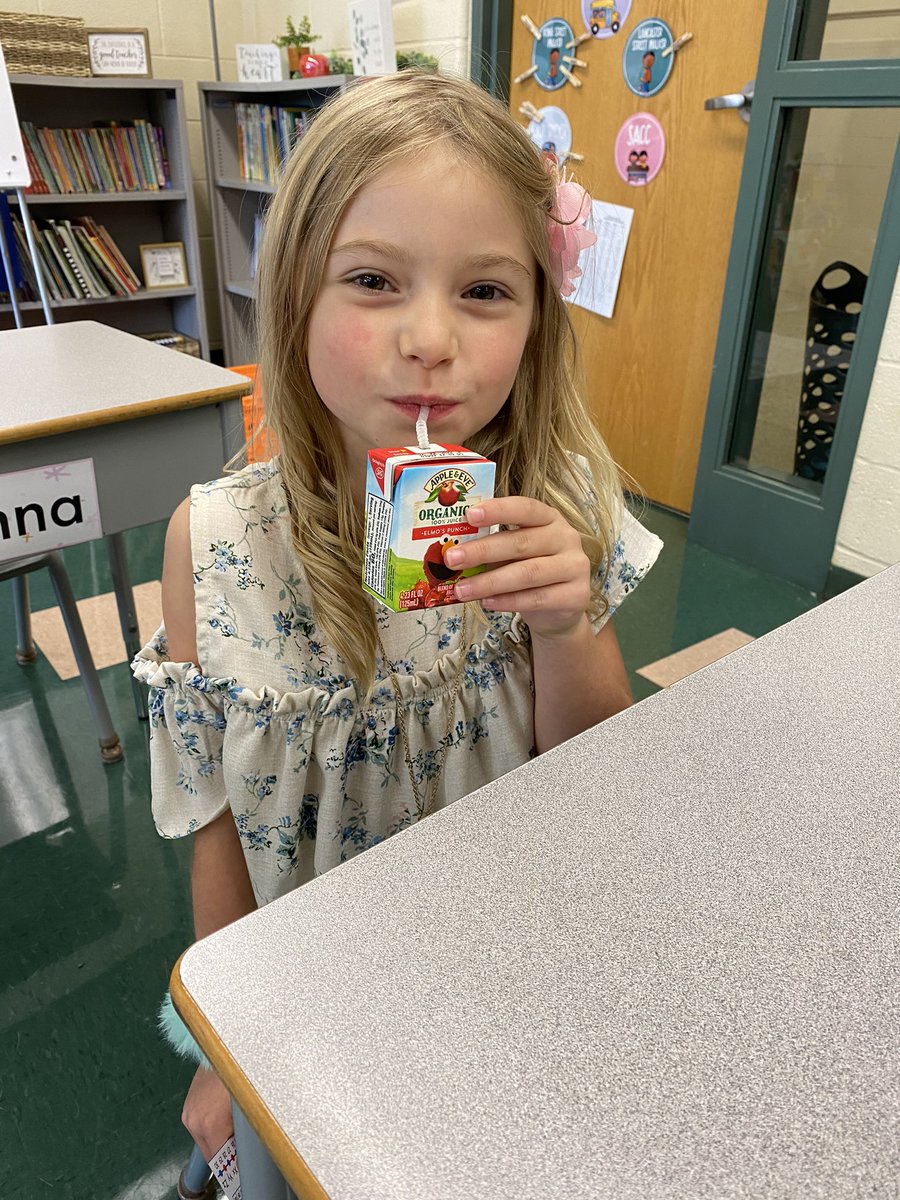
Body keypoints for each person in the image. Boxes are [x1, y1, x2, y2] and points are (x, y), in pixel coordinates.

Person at [134, 71, 662, 1161]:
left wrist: (565, 626)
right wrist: (223, 1053)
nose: (431, 339)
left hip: (518, 951)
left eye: (485, 291)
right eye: (373, 279)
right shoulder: (215, 542)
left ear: (536, 318)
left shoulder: (552, 495)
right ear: (295, 299)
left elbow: (605, 772)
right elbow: (213, 824)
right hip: (320, 991)